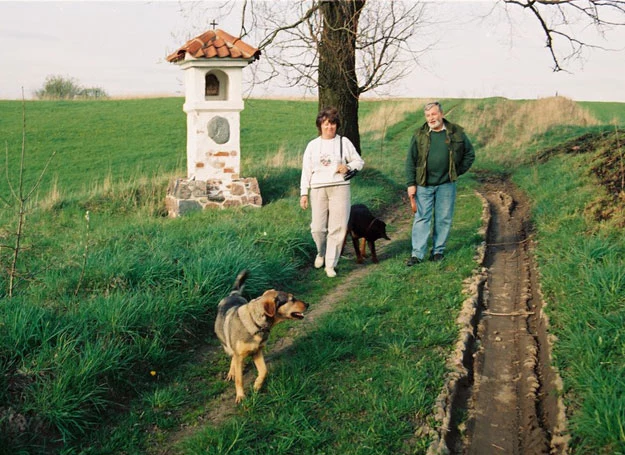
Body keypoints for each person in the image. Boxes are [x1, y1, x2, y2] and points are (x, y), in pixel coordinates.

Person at [405, 100, 475, 266]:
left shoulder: (456, 132)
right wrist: (410, 184)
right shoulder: (419, 135)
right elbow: (410, 160)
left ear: (442, 114)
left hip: (446, 184)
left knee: (444, 218)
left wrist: (455, 171)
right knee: (422, 218)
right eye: (428, 115)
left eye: (434, 114)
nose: (431, 118)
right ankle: (417, 255)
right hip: (423, 184)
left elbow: (469, 155)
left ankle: (438, 252)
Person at [300, 107, 365, 278]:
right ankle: (321, 253)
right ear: (320, 125)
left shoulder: (344, 142)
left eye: (333, 124)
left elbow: (359, 161)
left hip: (339, 187)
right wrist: (303, 193)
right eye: (326, 124)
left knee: (338, 227)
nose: (330, 127)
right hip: (318, 188)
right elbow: (306, 170)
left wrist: (348, 166)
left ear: (337, 125)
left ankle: (331, 264)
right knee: (318, 228)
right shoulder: (312, 146)